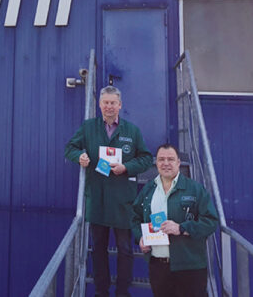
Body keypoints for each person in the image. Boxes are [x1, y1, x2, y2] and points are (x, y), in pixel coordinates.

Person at [65, 86, 153, 297]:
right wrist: (80, 157)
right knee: (98, 249)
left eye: (113, 103)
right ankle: (101, 291)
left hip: (123, 200)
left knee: (124, 249)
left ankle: (123, 292)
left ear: (120, 105)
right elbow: (70, 147)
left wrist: (127, 168)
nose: (109, 107)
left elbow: (146, 158)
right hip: (98, 198)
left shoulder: (132, 131)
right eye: (105, 102)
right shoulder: (88, 127)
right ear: (100, 105)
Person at [131, 144, 218, 297]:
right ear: (156, 163)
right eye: (161, 159)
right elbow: (135, 218)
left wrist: (181, 228)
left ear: (178, 162)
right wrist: (140, 238)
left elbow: (210, 222)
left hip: (190, 267)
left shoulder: (195, 189)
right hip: (158, 267)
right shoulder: (148, 190)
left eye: (170, 159)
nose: (166, 163)